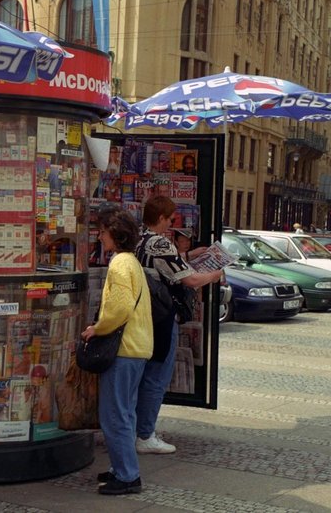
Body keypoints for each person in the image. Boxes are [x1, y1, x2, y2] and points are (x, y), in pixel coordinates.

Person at [134, 196, 223, 455]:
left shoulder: (140, 238)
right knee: (156, 376)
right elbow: (192, 280)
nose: (173, 224)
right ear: (161, 218)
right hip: (160, 318)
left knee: (143, 374)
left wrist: (189, 254)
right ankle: (145, 434)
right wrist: (215, 274)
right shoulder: (160, 242)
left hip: (142, 316)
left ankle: (138, 429)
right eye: (171, 219)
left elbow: (162, 261)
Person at [81, 203, 152, 495]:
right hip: (137, 347)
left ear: (115, 233)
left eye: (103, 231)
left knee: (115, 415)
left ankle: (127, 475)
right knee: (125, 413)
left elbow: (119, 306)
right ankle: (120, 467)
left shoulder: (120, 263)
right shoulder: (132, 261)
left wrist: (97, 328)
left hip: (123, 349)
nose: (100, 237)